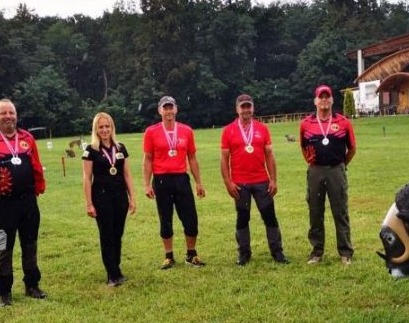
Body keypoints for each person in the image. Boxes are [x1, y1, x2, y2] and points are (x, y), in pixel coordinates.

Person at [0, 98, 47, 307]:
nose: (8, 117)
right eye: (3, 113)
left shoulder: (27, 138)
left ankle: (32, 285)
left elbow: (36, 166)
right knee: (4, 247)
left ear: (16, 115)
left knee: (30, 244)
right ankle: (4, 292)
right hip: (2, 204)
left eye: (11, 113)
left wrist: (39, 187)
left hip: (28, 201)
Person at [220, 94, 289, 266]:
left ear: (253, 108)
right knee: (242, 218)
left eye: (248, 106)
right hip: (240, 183)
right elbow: (224, 159)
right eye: (243, 107)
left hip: (261, 181)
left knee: (270, 217)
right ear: (237, 109)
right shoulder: (228, 130)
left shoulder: (262, 129)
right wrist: (228, 182)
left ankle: (277, 252)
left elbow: (270, 156)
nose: (246, 110)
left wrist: (273, 179)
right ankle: (244, 254)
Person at [142, 96, 206, 269]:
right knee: (165, 219)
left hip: (181, 179)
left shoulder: (186, 130)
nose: (168, 111)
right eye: (165, 108)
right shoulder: (151, 132)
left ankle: (191, 254)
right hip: (161, 180)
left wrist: (198, 182)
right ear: (160, 110)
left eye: (171, 108)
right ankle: (169, 256)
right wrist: (147, 184)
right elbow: (147, 159)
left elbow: (192, 157)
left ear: (176, 109)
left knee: (190, 219)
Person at [299, 84, 356, 265]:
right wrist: (311, 163)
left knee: (340, 211)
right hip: (315, 171)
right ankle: (317, 252)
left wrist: (341, 165)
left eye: (327, 97)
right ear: (315, 101)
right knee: (315, 212)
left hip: (336, 170)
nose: (324, 100)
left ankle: (345, 252)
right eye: (320, 97)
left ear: (332, 100)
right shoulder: (306, 124)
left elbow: (352, 148)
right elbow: (303, 147)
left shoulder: (343, 122)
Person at [82, 112, 137, 286]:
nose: (104, 130)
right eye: (101, 127)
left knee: (117, 233)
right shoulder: (91, 150)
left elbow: (127, 174)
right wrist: (89, 203)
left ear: (112, 127)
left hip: (120, 196)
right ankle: (112, 274)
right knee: (106, 235)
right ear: (96, 129)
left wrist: (132, 198)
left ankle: (116, 268)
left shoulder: (120, 148)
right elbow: (86, 177)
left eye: (107, 126)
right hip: (101, 197)